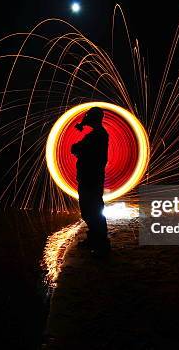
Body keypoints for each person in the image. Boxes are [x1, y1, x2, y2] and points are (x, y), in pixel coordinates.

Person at [71, 107, 110, 254]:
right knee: (92, 209)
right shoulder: (97, 134)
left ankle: (100, 243)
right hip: (91, 177)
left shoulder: (97, 135)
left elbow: (77, 149)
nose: (86, 118)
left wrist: (83, 123)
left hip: (90, 178)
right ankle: (96, 239)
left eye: (89, 116)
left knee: (91, 209)